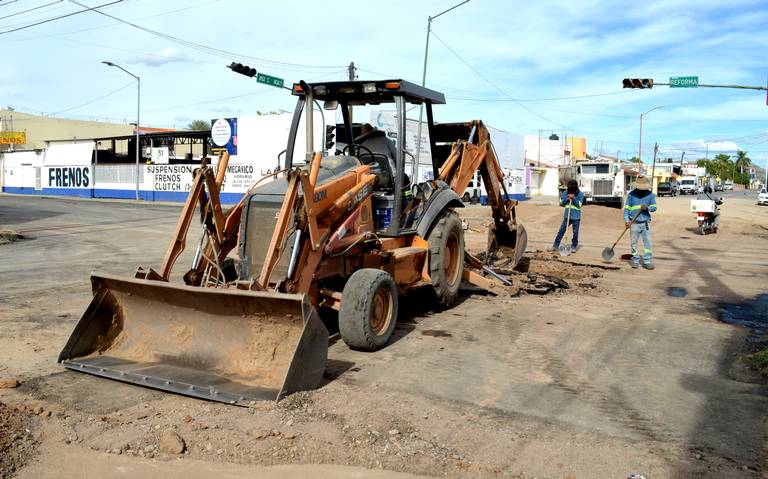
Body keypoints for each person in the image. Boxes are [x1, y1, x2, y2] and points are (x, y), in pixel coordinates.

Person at [624, 176, 657, 270]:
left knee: (648, 243)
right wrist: (627, 221)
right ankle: (635, 260)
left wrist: (647, 208)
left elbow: (654, 207)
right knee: (633, 243)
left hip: (645, 223)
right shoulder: (631, 195)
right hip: (634, 223)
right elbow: (626, 209)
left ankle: (647, 261)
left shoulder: (650, 195)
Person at [551, 179, 585, 252]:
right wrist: (567, 198)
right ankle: (555, 246)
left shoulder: (580, 194)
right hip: (567, 216)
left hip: (576, 217)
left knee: (575, 233)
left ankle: (574, 246)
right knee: (561, 231)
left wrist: (573, 199)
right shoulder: (565, 192)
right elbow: (561, 203)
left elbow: (579, 205)